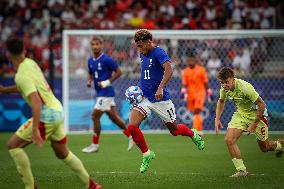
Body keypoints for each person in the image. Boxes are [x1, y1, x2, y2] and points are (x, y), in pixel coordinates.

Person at [0, 37, 101, 189]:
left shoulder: (21, 75)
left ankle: (30, 187)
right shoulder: (31, 63)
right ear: (24, 50)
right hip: (58, 110)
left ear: (8, 54)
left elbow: (36, 101)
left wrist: (35, 130)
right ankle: (91, 185)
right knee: (62, 152)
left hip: (47, 115)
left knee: (13, 145)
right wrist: (5, 90)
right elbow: (27, 86)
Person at [127, 29, 205, 174]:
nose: (139, 48)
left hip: (160, 98)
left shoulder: (159, 52)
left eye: (141, 45)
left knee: (175, 131)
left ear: (149, 42)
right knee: (132, 127)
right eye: (137, 45)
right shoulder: (142, 53)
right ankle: (147, 154)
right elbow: (147, 74)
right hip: (144, 97)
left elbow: (169, 70)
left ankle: (193, 134)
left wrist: (160, 88)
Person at [215, 67, 283, 177]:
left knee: (264, 148)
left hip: (257, 115)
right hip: (241, 115)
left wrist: (254, 124)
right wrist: (217, 119)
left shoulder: (245, 88)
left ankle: (279, 144)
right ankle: (241, 171)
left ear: (233, 79)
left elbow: (261, 105)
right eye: (222, 83)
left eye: (226, 82)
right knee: (229, 140)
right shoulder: (224, 89)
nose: (224, 85)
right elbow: (221, 101)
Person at [82, 36, 134, 153]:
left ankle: (95, 145)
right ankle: (131, 135)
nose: (95, 46)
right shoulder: (90, 61)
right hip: (100, 92)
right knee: (113, 118)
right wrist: (89, 81)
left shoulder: (106, 59)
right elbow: (90, 74)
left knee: (94, 116)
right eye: (93, 44)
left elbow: (119, 72)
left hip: (106, 93)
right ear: (91, 46)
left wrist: (108, 81)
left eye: (97, 44)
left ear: (101, 45)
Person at [181, 52, 212, 136]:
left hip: (200, 93)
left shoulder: (201, 70)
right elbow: (184, 84)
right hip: (191, 95)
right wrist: (183, 91)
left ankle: (195, 131)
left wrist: (208, 91)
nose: (190, 62)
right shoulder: (186, 71)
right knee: (194, 113)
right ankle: (200, 130)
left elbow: (205, 82)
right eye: (189, 61)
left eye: (192, 60)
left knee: (197, 111)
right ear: (187, 61)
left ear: (195, 61)